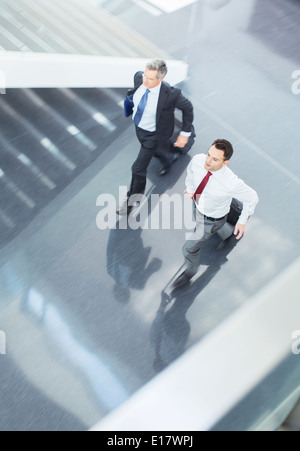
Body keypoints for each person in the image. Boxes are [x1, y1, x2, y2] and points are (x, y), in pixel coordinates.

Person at [173, 139, 259, 288]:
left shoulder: (231, 182)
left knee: (188, 248)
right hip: (199, 205)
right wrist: (191, 189)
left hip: (212, 219)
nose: (208, 161)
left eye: (215, 159)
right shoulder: (198, 160)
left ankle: (189, 273)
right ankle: (232, 219)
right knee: (222, 205)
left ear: (225, 163)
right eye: (209, 154)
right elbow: (191, 174)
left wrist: (242, 221)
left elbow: (252, 198)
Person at [118, 59, 194, 216]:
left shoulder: (170, 94)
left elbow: (188, 108)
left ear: (161, 79)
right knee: (159, 152)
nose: (145, 81)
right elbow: (134, 94)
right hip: (140, 129)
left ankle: (132, 201)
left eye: (150, 79)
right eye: (145, 76)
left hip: (154, 134)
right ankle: (169, 158)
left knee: (137, 168)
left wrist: (185, 134)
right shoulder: (139, 77)